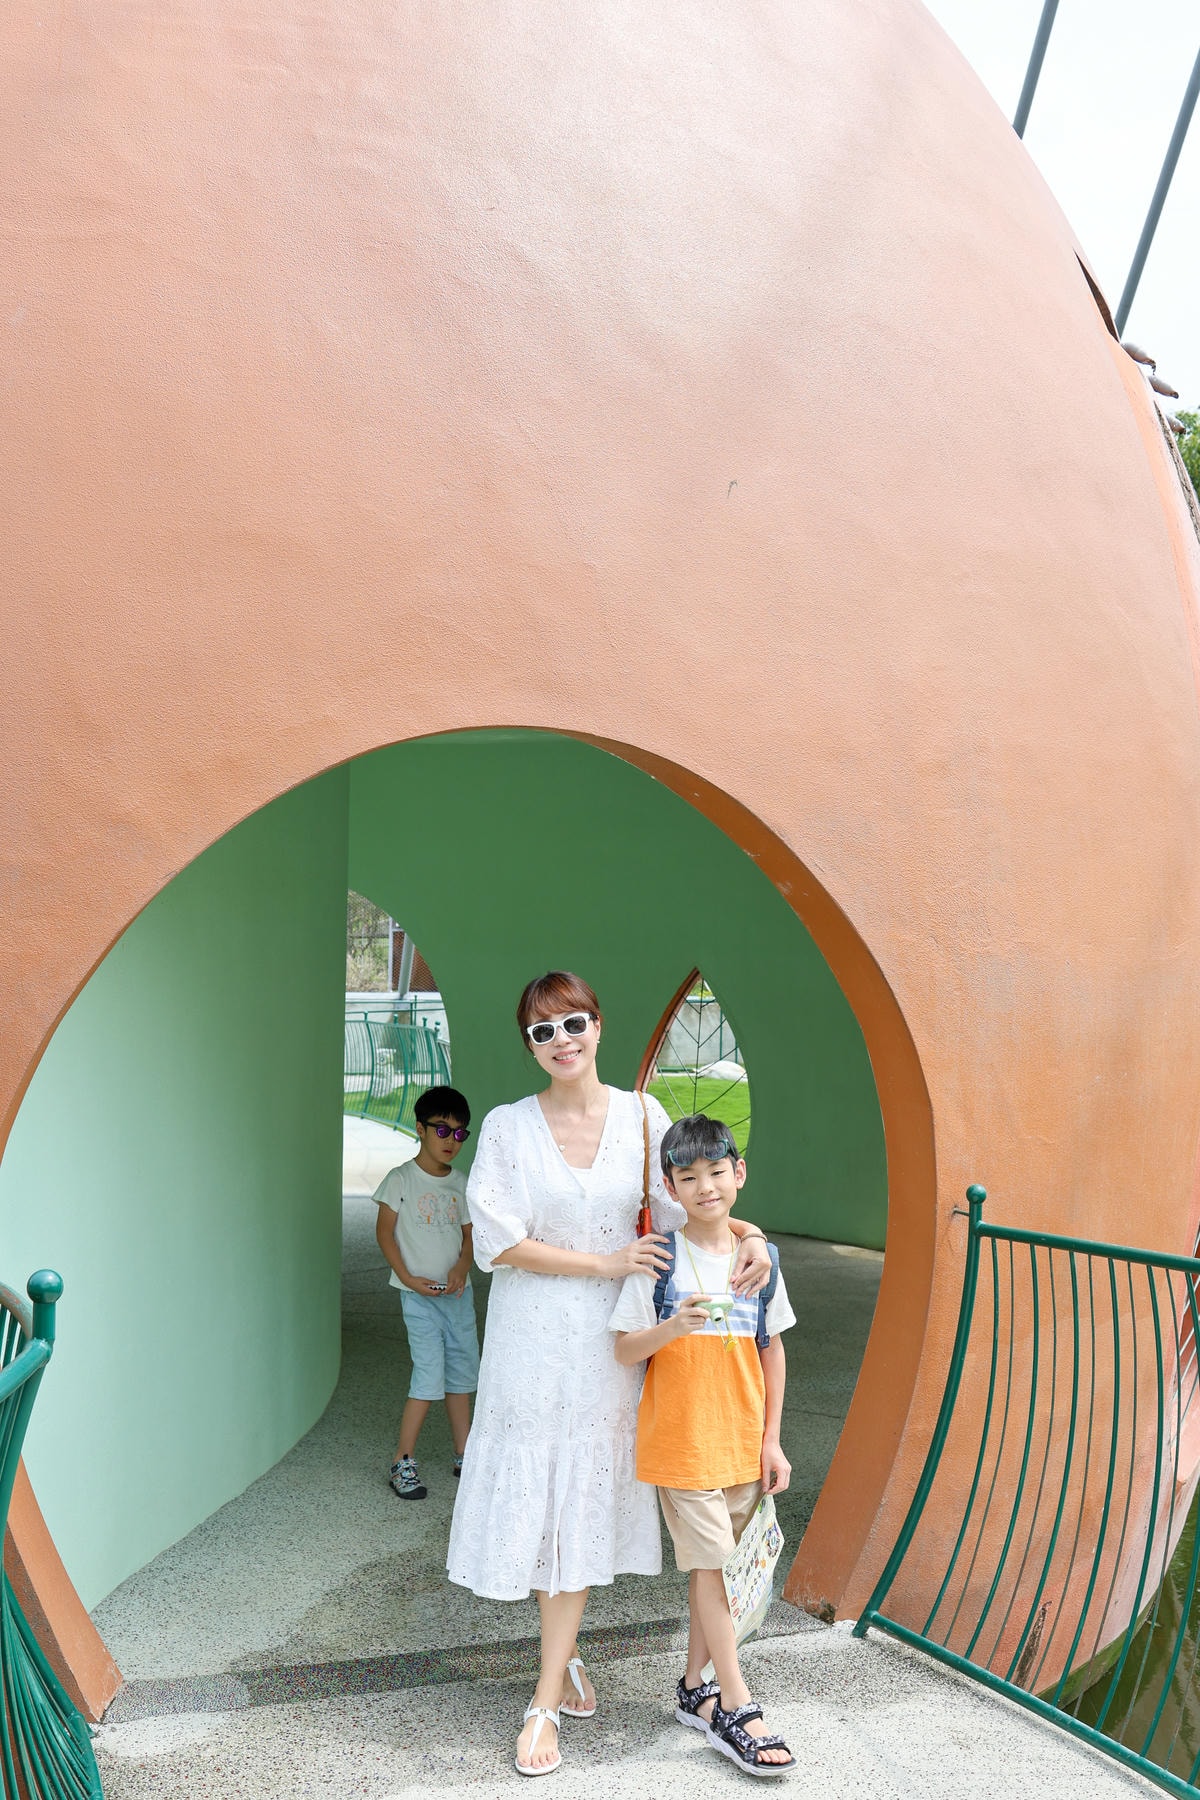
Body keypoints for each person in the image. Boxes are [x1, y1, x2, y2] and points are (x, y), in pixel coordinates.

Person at [446, 971, 773, 1778]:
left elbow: (689, 1207)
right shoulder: (507, 1127)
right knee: (542, 1506)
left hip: (613, 1345)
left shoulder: (642, 1115)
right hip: (531, 1337)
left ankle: (545, 1697)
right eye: (542, 1032)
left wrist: (754, 1232)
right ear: (528, 1045)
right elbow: (497, 1242)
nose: (561, 1042)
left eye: (574, 1024)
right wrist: (603, 1261)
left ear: (599, 1025)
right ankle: (562, 1666)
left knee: (578, 1504)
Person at [610, 1112, 797, 1779]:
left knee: (721, 1573)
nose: (705, 1187)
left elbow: (771, 1351)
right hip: (681, 1446)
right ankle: (736, 1709)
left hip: (742, 1443)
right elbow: (625, 1348)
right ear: (670, 1186)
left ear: (738, 1174)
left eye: (716, 1172)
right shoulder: (660, 1261)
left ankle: (695, 1689)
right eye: (688, 1177)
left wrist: (772, 1442)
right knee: (713, 1569)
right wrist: (673, 1327)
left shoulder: (759, 1261)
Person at [372, 1084, 478, 1500]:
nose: (450, 1141)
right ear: (420, 1128)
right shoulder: (401, 1179)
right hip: (418, 1298)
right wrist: (407, 1277)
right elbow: (384, 1235)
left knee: (461, 1375)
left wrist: (461, 1267)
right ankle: (402, 1460)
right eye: (441, 1130)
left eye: (459, 1133)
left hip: (457, 1297)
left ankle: (465, 1454)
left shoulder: (462, 1184)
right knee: (428, 1375)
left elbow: (470, 1237)